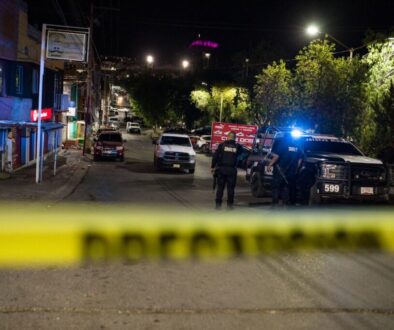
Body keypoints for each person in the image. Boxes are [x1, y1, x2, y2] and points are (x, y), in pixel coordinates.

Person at [267, 133, 303, 206]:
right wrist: (296, 169)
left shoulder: (283, 145)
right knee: (286, 187)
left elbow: (276, 156)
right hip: (292, 172)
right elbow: (300, 160)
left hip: (280, 170)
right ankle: (285, 203)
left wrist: (270, 164)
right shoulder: (298, 146)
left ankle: (275, 203)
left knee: (276, 186)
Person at [211, 131, 243, 209]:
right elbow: (242, 157)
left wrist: (212, 167)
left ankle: (218, 205)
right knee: (231, 189)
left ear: (228, 137)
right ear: (235, 138)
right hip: (232, 170)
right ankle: (229, 206)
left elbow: (215, 156)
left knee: (220, 188)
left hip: (221, 169)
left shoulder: (221, 145)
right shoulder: (238, 147)